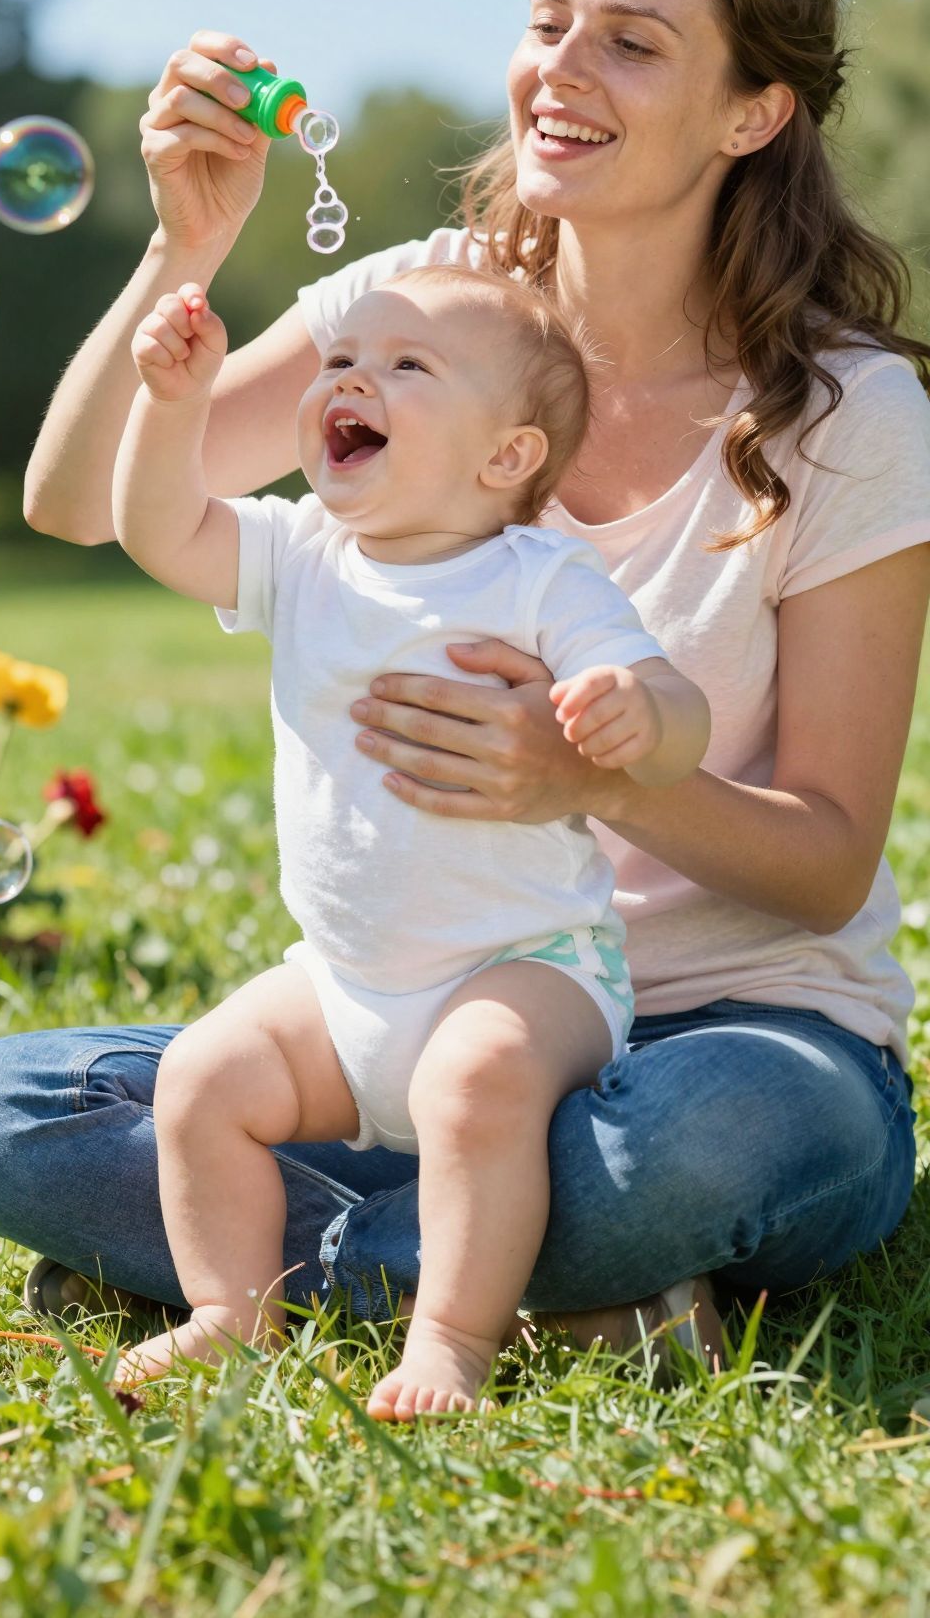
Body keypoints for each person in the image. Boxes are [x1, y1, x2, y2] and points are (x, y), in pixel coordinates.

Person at [0, 0, 930, 1381]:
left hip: (734, 1040)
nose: (560, 72)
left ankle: (304, 1252)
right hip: (408, 1029)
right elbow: (85, 502)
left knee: (707, 1155)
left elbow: (829, 853)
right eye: (548, 23)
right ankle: (524, 1267)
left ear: (753, 114)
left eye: (633, 44)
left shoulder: (849, 412)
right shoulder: (418, 316)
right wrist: (181, 251)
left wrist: (592, 779)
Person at [106, 263, 711, 1413]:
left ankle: (448, 1337)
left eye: (405, 364)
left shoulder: (541, 575)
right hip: (345, 987)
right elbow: (157, 527)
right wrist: (171, 403)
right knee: (197, 1077)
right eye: (342, 359)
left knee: (476, 1082)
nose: (351, 376)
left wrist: (639, 712)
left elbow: (669, 702)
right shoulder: (296, 555)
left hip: (526, 969)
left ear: (506, 457)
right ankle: (233, 1316)